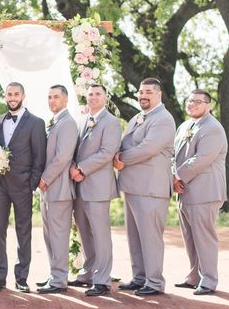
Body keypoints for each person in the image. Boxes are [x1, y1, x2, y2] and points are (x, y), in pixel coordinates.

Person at [114, 78, 175, 296]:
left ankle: (155, 282)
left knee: (150, 237)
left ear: (159, 94)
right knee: (135, 237)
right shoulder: (137, 118)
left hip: (151, 188)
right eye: (140, 92)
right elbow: (125, 143)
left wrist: (121, 159)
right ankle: (140, 277)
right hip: (133, 186)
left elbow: (148, 149)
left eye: (148, 91)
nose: (143, 95)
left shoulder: (163, 119)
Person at [0, 82, 46, 292]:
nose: (12, 97)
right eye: (9, 94)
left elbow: (39, 158)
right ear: (5, 96)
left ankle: (22, 277)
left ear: (23, 95)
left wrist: (30, 185)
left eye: (16, 94)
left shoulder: (36, 123)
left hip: (23, 186)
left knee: (24, 231)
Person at [173, 89, 227, 295]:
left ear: (208, 105)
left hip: (205, 192)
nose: (192, 104)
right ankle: (194, 276)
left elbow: (201, 159)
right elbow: (174, 156)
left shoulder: (213, 128)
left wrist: (176, 176)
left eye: (198, 101)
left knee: (204, 237)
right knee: (189, 237)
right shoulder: (185, 126)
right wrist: (175, 177)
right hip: (184, 190)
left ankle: (209, 280)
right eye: (190, 100)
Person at [69, 84, 122, 296]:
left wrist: (81, 168)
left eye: (98, 94)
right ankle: (88, 272)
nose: (93, 97)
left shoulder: (111, 122)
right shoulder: (82, 119)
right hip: (79, 184)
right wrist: (73, 167)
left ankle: (102, 279)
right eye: (90, 94)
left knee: (100, 234)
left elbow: (108, 152)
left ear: (106, 97)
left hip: (98, 186)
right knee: (84, 233)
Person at [36, 85, 77, 294]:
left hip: (59, 189)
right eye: (49, 97)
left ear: (66, 100)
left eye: (56, 97)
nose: (52, 101)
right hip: (48, 190)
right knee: (50, 236)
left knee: (59, 236)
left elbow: (62, 157)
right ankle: (55, 275)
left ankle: (59, 280)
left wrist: (44, 179)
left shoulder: (68, 123)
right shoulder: (55, 122)